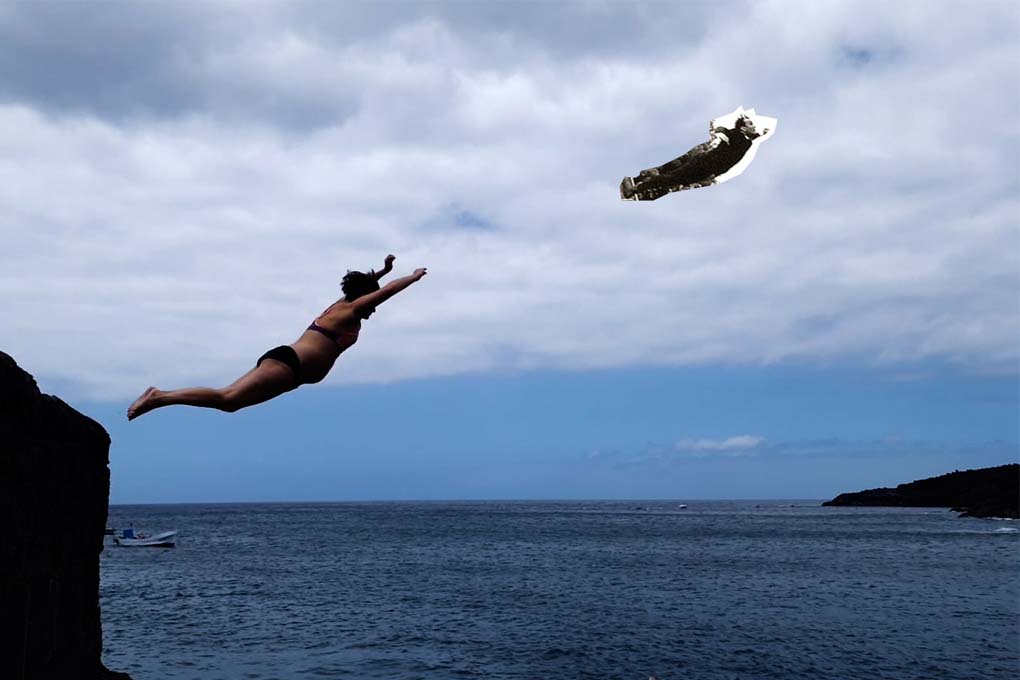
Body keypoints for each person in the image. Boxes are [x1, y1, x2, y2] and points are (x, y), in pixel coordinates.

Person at [127, 254, 426, 420]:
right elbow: (385, 292)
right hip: (289, 364)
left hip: (288, 366)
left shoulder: (341, 305)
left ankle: (161, 397)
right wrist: (411, 277)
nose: (373, 308)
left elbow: (366, 287)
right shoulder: (350, 311)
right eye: (371, 300)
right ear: (365, 297)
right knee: (228, 399)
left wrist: (382, 271)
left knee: (230, 401)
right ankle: (160, 397)